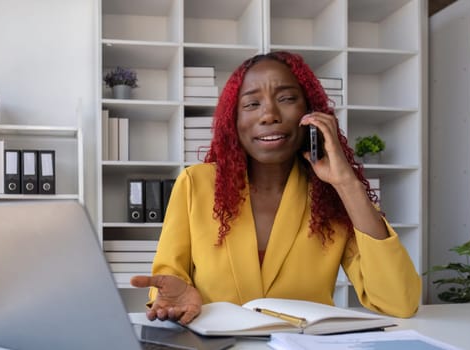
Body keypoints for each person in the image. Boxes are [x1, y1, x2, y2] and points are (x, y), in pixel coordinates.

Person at [131, 51, 421, 325]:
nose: (269, 114)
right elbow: (168, 279)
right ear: (234, 122)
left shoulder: (330, 195)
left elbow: (398, 302)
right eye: (251, 104)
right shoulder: (196, 183)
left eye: (286, 98)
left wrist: (347, 182)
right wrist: (172, 298)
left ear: (311, 114)